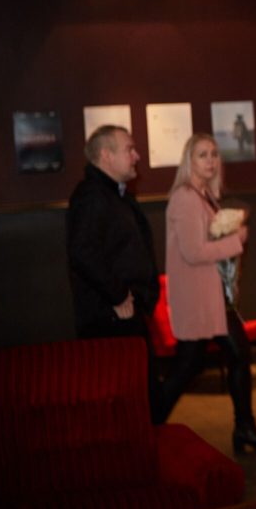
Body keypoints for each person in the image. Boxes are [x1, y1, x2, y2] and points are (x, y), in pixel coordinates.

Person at [158, 133, 256, 453]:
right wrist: (236, 239)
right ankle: (149, 425)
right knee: (189, 365)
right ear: (188, 161)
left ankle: (244, 428)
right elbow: (194, 252)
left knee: (231, 355)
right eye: (202, 155)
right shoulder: (185, 197)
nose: (210, 160)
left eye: (213, 154)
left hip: (213, 297)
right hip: (198, 298)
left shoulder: (204, 196)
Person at [67, 125, 162, 420]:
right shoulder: (91, 196)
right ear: (106, 155)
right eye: (129, 149)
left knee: (141, 400)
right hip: (111, 317)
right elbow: (83, 252)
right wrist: (118, 295)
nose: (137, 156)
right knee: (123, 403)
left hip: (126, 312)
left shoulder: (115, 194)